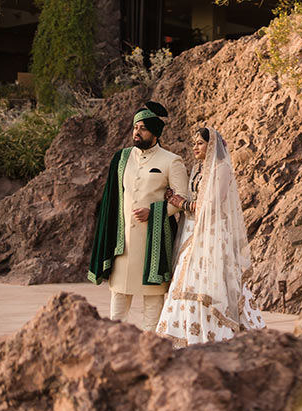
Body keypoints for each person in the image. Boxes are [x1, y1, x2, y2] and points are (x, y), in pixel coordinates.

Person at [156, 127, 266, 346]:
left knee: (211, 282)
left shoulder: (221, 168)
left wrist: (181, 203)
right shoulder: (198, 168)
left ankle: (214, 335)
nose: (195, 147)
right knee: (185, 281)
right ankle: (187, 335)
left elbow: (213, 205)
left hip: (213, 234)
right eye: (194, 143)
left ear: (211, 145)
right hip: (192, 230)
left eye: (199, 143)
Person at [88, 101, 189, 331]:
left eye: (142, 128)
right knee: (117, 305)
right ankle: (115, 347)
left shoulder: (171, 161)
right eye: (135, 127)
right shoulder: (121, 159)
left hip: (153, 245)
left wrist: (154, 211)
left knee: (152, 305)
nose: (136, 132)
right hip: (122, 245)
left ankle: (149, 350)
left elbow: (182, 198)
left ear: (155, 132)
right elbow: (112, 198)